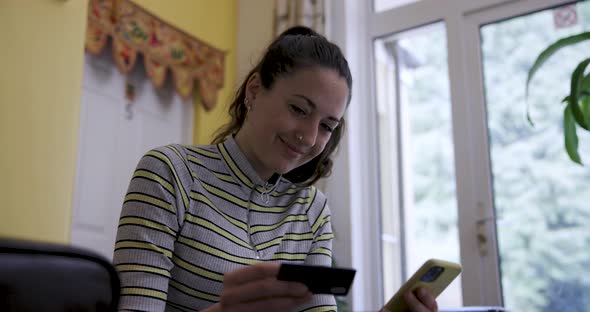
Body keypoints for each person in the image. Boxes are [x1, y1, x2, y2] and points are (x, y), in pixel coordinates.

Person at [113, 26, 439, 312]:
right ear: (254, 91)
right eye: (299, 109)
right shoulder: (171, 173)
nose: (309, 137)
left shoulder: (312, 211)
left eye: (327, 126)